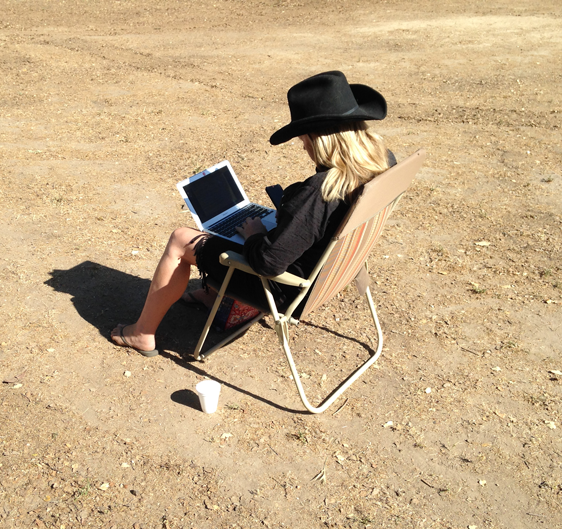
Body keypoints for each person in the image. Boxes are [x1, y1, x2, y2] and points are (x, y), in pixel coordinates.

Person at [111, 70, 395, 356]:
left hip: (285, 289)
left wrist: (255, 235)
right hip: (333, 273)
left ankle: (142, 333)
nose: (304, 147)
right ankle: (211, 295)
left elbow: (268, 263)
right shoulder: (382, 164)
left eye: (303, 140)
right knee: (234, 231)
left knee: (181, 239)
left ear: (317, 139)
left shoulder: (320, 191)